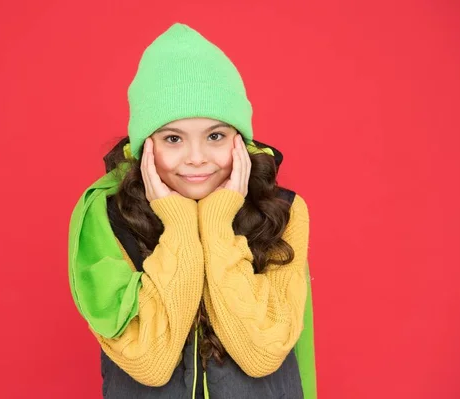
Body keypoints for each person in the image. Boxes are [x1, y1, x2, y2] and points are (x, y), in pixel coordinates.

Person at [68, 23, 316, 399]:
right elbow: (150, 362)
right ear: (144, 146)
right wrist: (180, 224)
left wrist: (216, 223)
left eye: (215, 136)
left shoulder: (282, 211)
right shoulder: (104, 218)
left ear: (240, 141)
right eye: (173, 139)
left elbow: (262, 354)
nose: (197, 159)